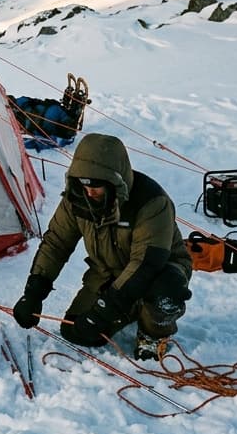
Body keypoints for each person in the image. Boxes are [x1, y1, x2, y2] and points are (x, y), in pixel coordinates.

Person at [11, 132, 192, 361]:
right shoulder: (76, 198)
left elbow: (146, 264)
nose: (89, 192)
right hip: (108, 272)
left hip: (159, 270)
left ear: (114, 182)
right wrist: (34, 293)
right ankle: (132, 307)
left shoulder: (152, 202)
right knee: (76, 332)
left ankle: (153, 333)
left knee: (165, 291)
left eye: (96, 187)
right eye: (84, 185)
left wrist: (105, 309)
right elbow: (56, 244)